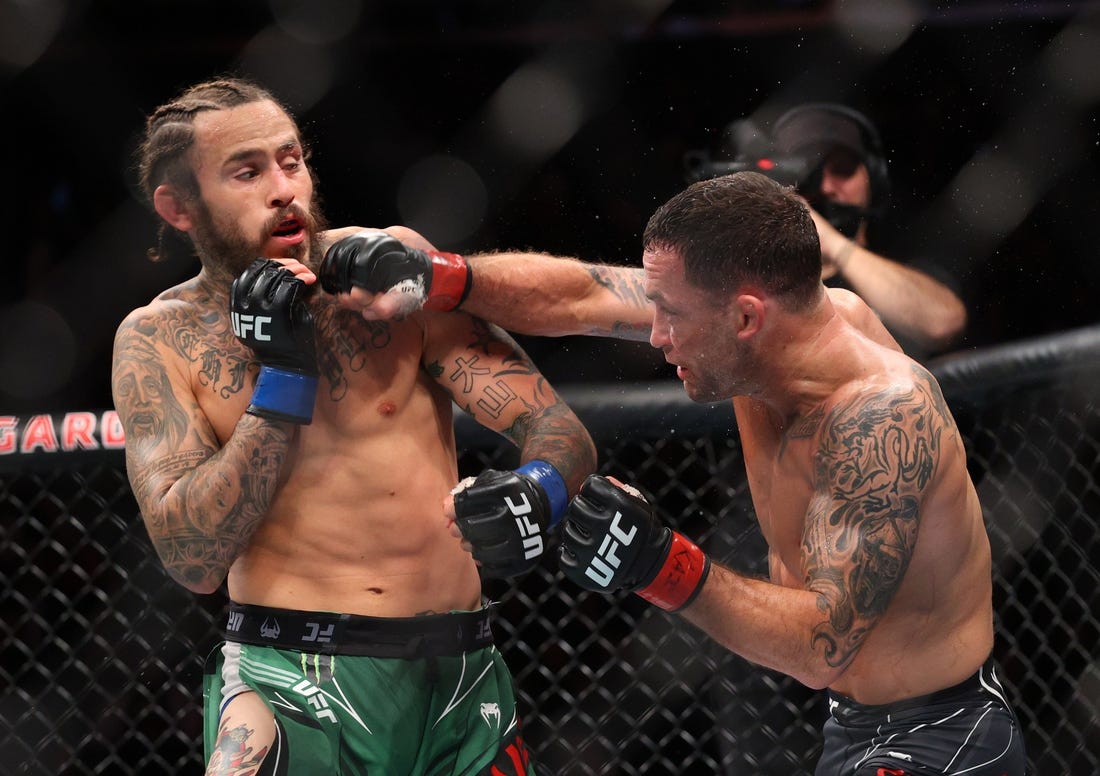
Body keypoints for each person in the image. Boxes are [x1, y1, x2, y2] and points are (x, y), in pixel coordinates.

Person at [323, 171, 1027, 774]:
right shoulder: (771, 327)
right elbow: (581, 297)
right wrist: (441, 276)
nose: (655, 336)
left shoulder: (879, 416)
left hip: (942, 738)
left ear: (745, 317)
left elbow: (825, 646)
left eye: (670, 316)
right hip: (854, 723)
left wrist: (660, 563)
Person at [110, 76, 597, 775]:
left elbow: (557, 428)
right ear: (178, 207)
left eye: (291, 161)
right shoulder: (160, 338)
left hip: (460, 676)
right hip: (289, 679)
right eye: (247, 172)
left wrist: (537, 488)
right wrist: (284, 378)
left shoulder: (391, 276)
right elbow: (192, 561)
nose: (283, 190)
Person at [687, 103, 968, 361]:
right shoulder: (758, 282)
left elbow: (941, 322)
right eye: (810, 174)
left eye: (843, 169)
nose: (827, 187)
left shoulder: (907, 263)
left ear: (873, 180)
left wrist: (830, 241)